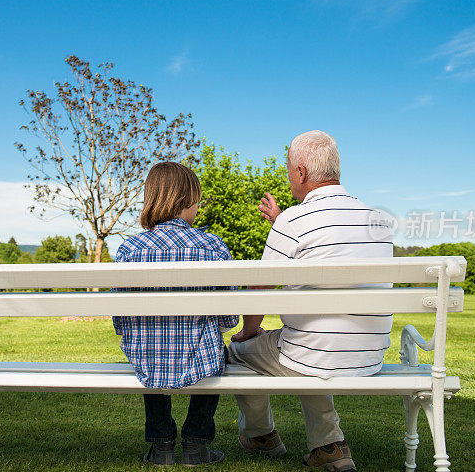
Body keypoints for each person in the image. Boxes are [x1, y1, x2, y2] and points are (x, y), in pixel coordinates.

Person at [228, 130, 393, 471]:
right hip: (369, 354)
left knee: (242, 354)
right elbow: (330, 245)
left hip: (315, 353)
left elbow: (261, 287)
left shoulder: (295, 220)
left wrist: (248, 332)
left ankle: (261, 436)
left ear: (301, 173)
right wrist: (281, 221)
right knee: (312, 342)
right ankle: (329, 446)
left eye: (289, 169)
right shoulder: (377, 219)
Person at [113, 161, 239, 467]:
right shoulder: (213, 247)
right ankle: (196, 444)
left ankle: (161, 445)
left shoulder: (130, 250)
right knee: (215, 352)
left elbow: (120, 321)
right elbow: (228, 319)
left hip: (149, 359)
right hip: (202, 358)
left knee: (151, 345)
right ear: (187, 201)